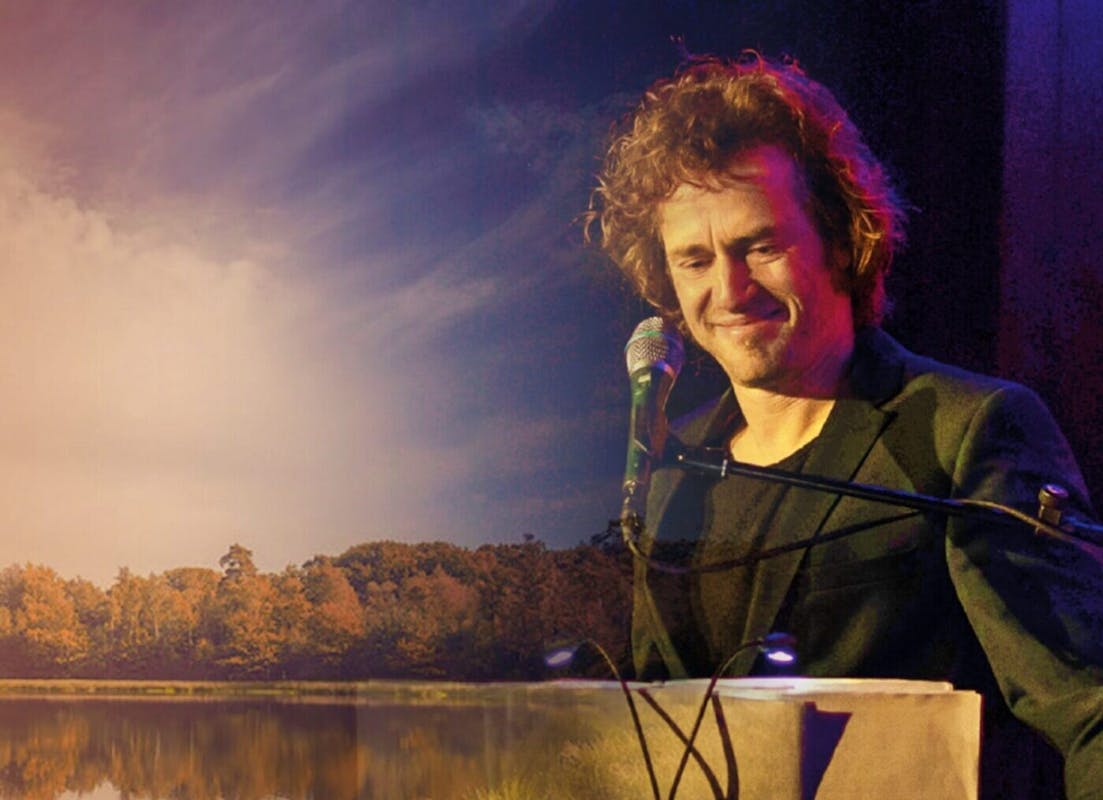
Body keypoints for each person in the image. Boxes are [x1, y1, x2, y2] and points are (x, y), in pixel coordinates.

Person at [586, 53, 1103, 799]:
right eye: (693, 261)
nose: (729, 289)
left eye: (760, 245)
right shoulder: (673, 463)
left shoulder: (968, 431)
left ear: (841, 237)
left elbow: (1091, 711)